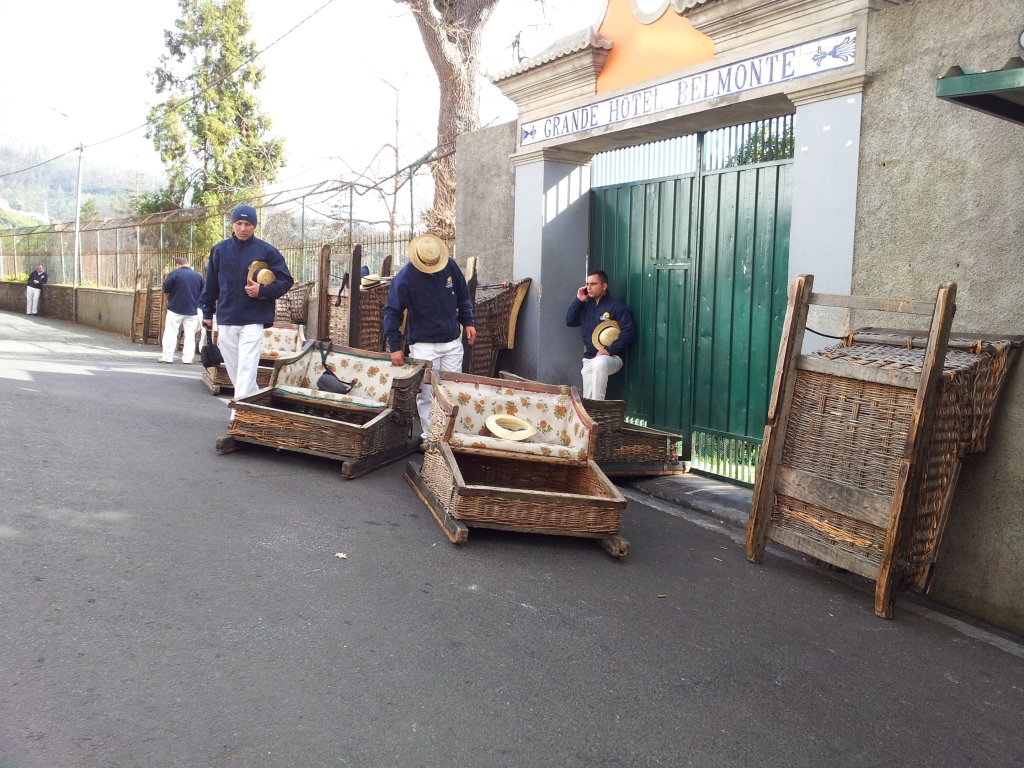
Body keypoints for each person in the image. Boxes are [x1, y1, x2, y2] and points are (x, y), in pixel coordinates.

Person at [383, 234, 475, 444]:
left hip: (452, 340)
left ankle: (448, 435)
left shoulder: (449, 266)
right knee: (426, 393)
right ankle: (429, 437)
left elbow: (463, 295)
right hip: (423, 344)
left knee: (452, 390)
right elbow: (393, 312)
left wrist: (468, 321)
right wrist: (395, 346)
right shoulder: (405, 277)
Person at [199, 205, 294, 402]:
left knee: (247, 365)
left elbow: (286, 280)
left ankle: (238, 412)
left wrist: (262, 291)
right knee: (233, 364)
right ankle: (253, 399)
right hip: (226, 318)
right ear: (232, 224)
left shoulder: (267, 251)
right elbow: (211, 285)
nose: (243, 228)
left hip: (254, 318)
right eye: (239, 223)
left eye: (248, 224)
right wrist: (207, 313)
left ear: (255, 226)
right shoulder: (219, 250)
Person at [566, 269, 636, 401]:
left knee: (599, 363)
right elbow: (570, 321)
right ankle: (591, 415)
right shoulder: (585, 307)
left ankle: (599, 406)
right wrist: (579, 300)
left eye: (593, 284)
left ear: (604, 286)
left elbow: (629, 332)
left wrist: (609, 350)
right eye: (587, 284)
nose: (589, 287)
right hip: (589, 358)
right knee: (587, 397)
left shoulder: (616, 307)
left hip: (613, 358)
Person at [159, 256, 205, 364]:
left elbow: (165, 288)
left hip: (175, 308)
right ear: (188, 264)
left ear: (177, 265)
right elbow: (204, 292)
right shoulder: (198, 276)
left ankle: (168, 357)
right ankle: (187, 359)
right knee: (190, 335)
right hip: (192, 309)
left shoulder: (175, 273)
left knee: (171, 332)